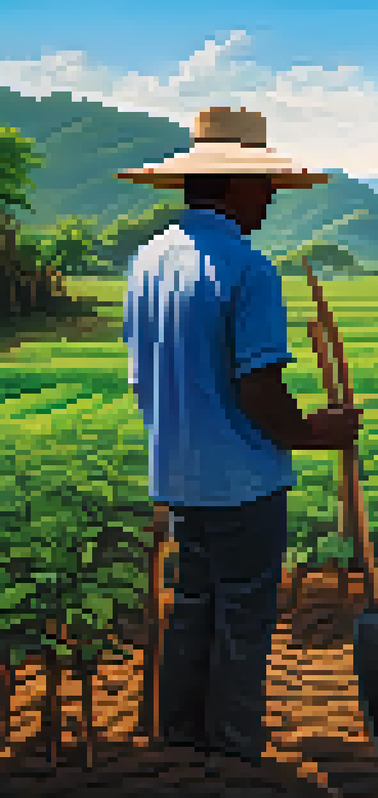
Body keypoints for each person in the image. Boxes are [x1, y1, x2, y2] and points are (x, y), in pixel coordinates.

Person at [118, 107, 361, 767]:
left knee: (193, 603)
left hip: (176, 474)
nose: (272, 195)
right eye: (263, 182)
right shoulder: (249, 269)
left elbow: (143, 379)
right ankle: (233, 745)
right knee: (244, 615)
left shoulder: (147, 261)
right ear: (232, 185)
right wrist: (316, 433)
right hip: (243, 480)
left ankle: (181, 734)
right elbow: (258, 387)